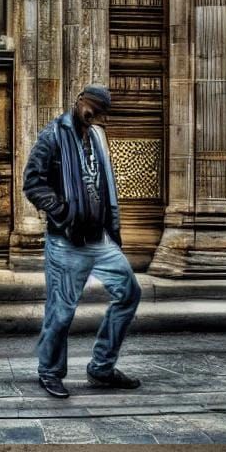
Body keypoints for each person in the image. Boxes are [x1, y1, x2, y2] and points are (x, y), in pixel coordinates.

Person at [23, 84, 142, 398]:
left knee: (129, 293)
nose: (96, 117)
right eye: (92, 109)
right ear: (78, 102)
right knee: (61, 311)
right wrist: (62, 211)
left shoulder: (98, 136)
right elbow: (32, 183)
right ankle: (49, 372)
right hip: (66, 240)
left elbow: (105, 187)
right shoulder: (53, 135)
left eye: (102, 113)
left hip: (100, 239)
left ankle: (101, 368)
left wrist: (112, 229)